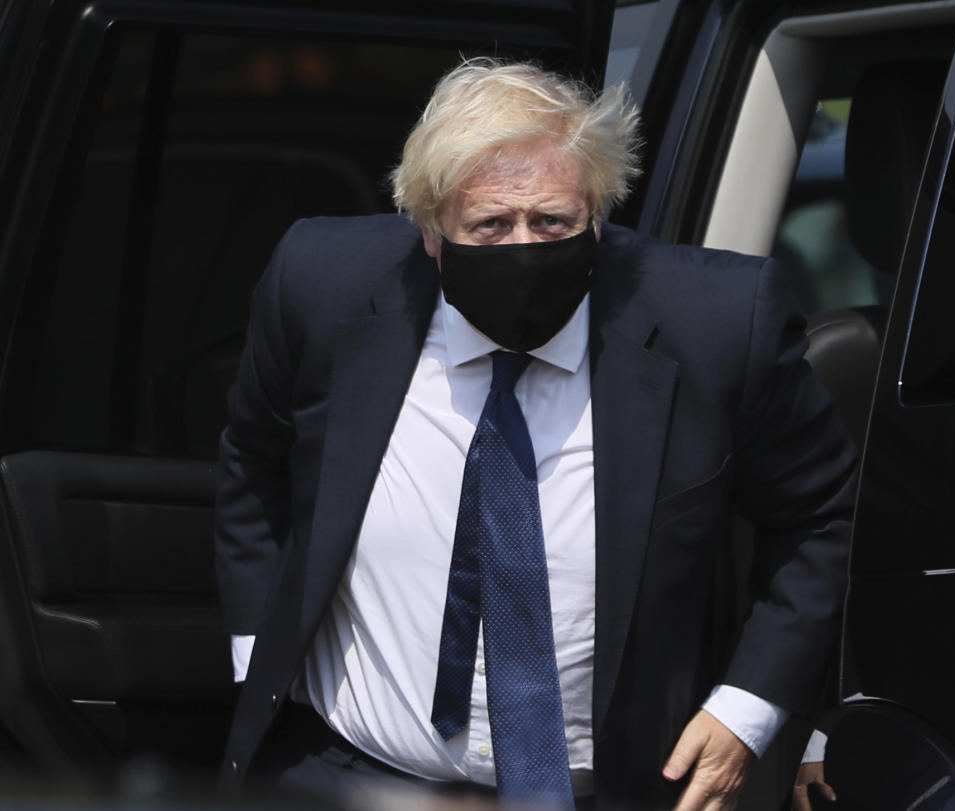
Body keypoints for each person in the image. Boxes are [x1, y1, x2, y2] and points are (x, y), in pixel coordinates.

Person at [215, 58, 856, 810]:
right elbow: (253, 460)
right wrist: (264, 661)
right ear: (431, 234)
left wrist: (748, 707)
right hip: (346, 774)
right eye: (490, 225)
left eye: (552, 221)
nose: (524, 246)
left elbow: (820, 516)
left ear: (598, 216)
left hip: (610, 791)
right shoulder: (325, 285)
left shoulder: (716, 321)